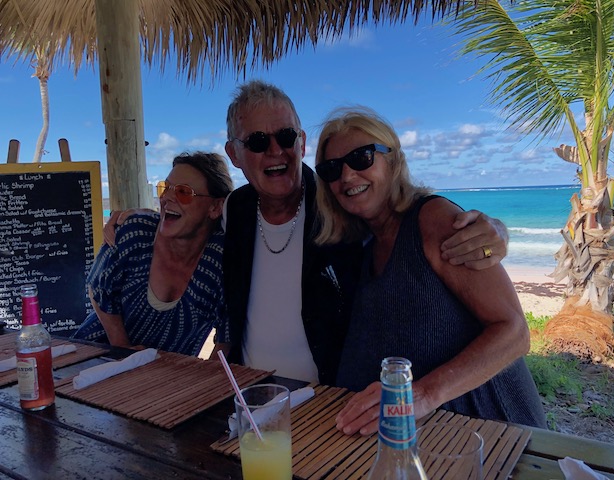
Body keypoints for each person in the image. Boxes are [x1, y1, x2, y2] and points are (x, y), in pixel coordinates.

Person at [103, 80, 510, 383]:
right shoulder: (234, 209)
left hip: (329, 400)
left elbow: (401, 215)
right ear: (235, 154)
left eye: (285, 137)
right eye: (259, 141)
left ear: (300, 141)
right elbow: (187, 215)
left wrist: (494, 229)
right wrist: (136, 217)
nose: (275, 151)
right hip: (254, 397)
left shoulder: (339, 203)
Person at [311, 106, 547, 432]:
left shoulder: (433, 219)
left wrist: (421, 395)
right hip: (426, 442)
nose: (347, 176)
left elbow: (515, 333)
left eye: (362, 157)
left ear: (392, 160)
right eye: (332, 168)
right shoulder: (362, 245)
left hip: (491, 436)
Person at [72, 152, 233, 356]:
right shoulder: (135, 233)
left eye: (184, 192)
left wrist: (211, 384)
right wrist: (123, 350)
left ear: (216, 207)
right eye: (165, 188)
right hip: (92, 360)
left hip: (168, 378)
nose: (166, 198)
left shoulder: (221, 260)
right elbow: (99, 289)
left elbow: (227, 333)